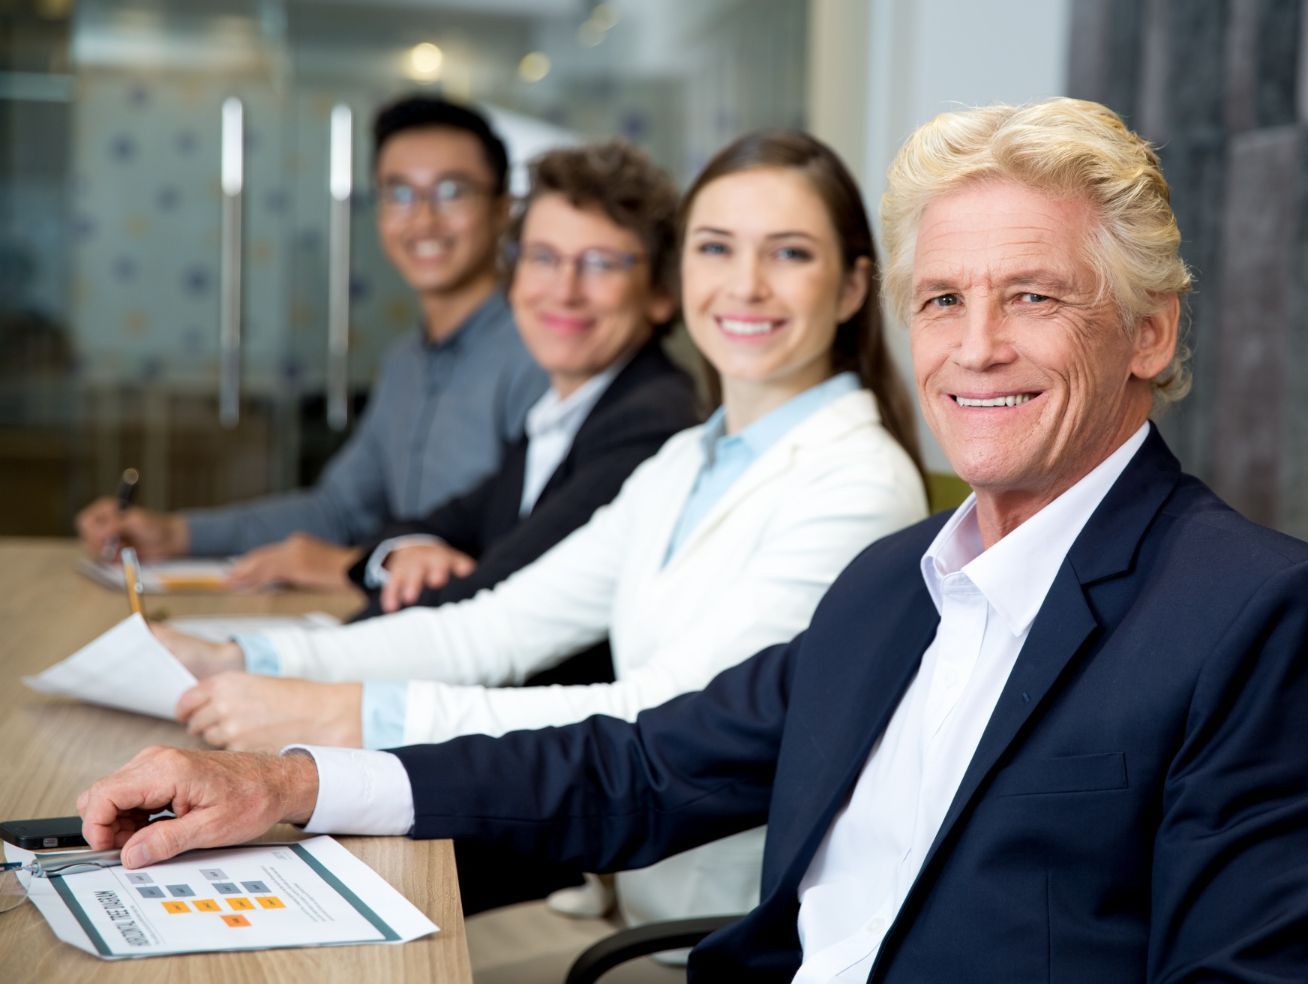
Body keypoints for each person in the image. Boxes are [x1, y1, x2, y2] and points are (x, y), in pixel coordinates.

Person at [79, 99, 1308, 981]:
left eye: (1035, 298)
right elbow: (640, 763)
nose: (975, 346)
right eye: (945, 300)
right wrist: (294, 786)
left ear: (1149, 335)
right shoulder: (903, 583)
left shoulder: (1268, 621)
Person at [145, 130, 929, 929]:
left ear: (852, 287)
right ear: (684, 272)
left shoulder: (857, 485)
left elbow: (658, 721)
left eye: (790, 254)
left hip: (728, 933)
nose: (746, 284)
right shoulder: (688, 459)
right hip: (627, 892)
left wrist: (342, 717)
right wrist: (252, 657)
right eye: (717, 247)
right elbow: (493, 629)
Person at [73, 95, 548, 592]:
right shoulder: (406, 362)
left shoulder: (538, 355)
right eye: (399, 193)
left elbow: (530, 553)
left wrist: (343, 566)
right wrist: (176, 533)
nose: (423, 220)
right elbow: (338, 510)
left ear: (502, 210)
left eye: (452, 191)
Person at [343, 139, 697, 621]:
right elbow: (414, 530)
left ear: (661, 293)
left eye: (600, 264)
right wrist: (408, 553)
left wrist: (275, 659)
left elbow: (492, 606)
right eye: (543, 258)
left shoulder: (647, 424)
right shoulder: (561, 414)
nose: (564, 291)